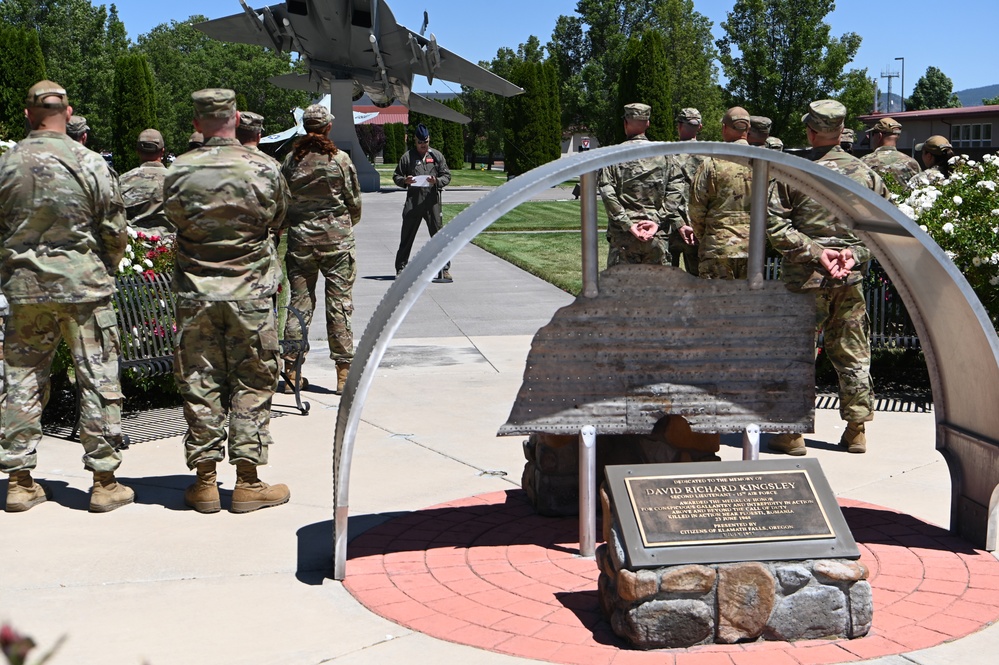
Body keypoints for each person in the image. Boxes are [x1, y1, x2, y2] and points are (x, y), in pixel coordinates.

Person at [0, 80, 131, 512]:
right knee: (96, 378)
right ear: (69, 113)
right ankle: (104, 480)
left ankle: (20, 481)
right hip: (84, 290)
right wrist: (104, 269)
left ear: (27, 114)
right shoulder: (90, 162)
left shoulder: (7, 164)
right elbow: (114, 230)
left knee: (21, 380)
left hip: (24, 290)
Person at [164, 88, 291, 514]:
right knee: (253, 381)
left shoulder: (179, 170)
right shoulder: (265, 168)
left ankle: (204, 481)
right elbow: (278, 219)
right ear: (236, 118)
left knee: (200, 381)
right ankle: (247, 482)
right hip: (250, 293)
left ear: (197, 123)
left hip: (196, 294)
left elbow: (174, 219)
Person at [768, 99, 890, 457]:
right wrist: (853, 254)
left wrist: (816, 252)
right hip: (849, 278)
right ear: (840, 131)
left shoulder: (794, 172)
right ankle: (856, 431)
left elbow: (775, 226)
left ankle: (791, 435)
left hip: (803, 278)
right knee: (852, 352)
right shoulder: (866, 175)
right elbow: (884, 230)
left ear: (810, 130)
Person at [280, 104, 361, 395]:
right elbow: (354, 203)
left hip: (301, 242)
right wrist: (342, 225)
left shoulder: (290, 161)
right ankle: (343, 373)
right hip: (337, 243)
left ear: (305, 128)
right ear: (327, 128)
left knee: (299, 304)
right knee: (338, 305)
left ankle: (291, 370)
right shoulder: (339, 160)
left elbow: (283, 203)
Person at [598, 103, 681, 267]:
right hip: (656, 237)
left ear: (625, 123)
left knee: (621, 290)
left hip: (623, 237)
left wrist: (628, 225)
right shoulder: (666, 156)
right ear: (647, 124)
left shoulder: (612, 156)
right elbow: (676, 191)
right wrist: (656, 221)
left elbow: (608, 194)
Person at [680, 107, 753, 280]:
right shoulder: (763, 163)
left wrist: (704, 236)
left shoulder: (712, 163)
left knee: (713, 304)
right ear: (748, 130)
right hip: (752, 249)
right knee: (746, 304)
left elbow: (696, 208)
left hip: (716, 247)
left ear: (724, 128)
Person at [393, 123, 452, 281]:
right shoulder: (408, 157)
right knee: (407, 237)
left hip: (431, 201)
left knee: (439, 236)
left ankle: (444, 268)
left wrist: (437, 181)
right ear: (415, 141)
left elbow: (447, 176)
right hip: (413, 201)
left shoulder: (437, 156)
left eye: (425, 143)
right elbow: (396, 176)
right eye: (420, 143)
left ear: (428, 140)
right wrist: (405, 181)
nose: (423, 146)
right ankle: (401, 268)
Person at [668, 107, 706, 276]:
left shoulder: (667, 156)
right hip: (697, 227)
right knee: (697, 283)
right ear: (700, 127)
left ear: (679, 125)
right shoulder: (710, 158)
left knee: (668, 284)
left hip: (670, 225)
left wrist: (678, 223)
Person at [118, 128, 172, 236]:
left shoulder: (123, 180)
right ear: (162, 151)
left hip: (135, 247)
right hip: (171, 247)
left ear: (137, 151)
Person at [861, 117, 921, 186]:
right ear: (898, 137)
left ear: (879, 136)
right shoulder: (912, 164)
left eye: (873, 134)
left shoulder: (864, 162)